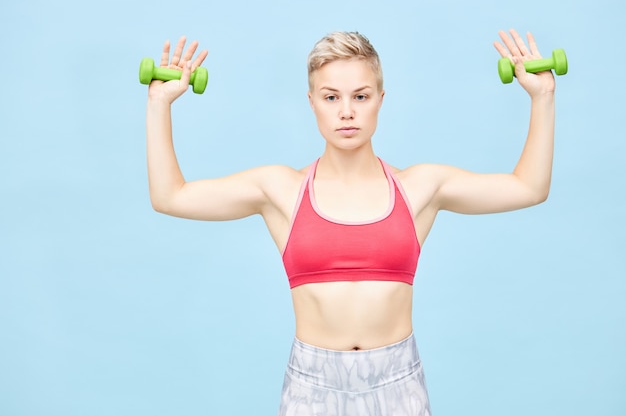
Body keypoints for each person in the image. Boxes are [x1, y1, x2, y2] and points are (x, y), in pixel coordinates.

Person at [144, 28, 556, 416]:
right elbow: (170, 196)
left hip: (398, 383)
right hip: (312, 388)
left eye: (360, 97)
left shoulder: (420, 187)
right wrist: (158, 105)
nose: (346, 112)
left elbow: (528, 187)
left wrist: (543, 98)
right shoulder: (280, 190)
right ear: (311, 102)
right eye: (330, 97)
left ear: (380, 97)